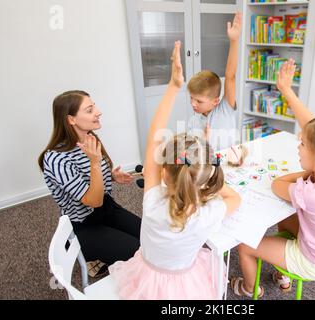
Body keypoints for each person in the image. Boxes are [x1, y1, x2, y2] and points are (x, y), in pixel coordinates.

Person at [108, 41, 241, 300]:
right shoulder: (207, 213)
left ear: (164, 173)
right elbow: (235, 198)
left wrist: (173, 85)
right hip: (188, 285)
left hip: (147, 277)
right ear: (203, 179)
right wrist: (209, 169)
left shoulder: (153, 200)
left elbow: (153, 138)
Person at [231, 115, 315, 298]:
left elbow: (276, 184)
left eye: (303, 143)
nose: (298, 147)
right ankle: (282, 276)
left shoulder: (312, 195)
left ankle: (249, 289)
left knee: (244, 246)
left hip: (314, 262)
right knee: (287, 216)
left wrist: (309, 170)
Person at [38, 90, 141, 276]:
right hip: (85, 224)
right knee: (141, 255)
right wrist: (94, 162)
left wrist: (110, 176)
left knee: (152, 240)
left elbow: (90, 179)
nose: (98, 112)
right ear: (71, 120)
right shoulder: (55, 159)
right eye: (90, 109)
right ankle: (88, 253)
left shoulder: (89, 138)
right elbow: (93, 201)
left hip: (107, 209)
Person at [187, 12, 242, 150]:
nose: (193, 103)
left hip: (229, 165)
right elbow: (192, 153)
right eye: (192, 98)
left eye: (199, 101)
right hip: (207, 167)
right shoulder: (193, 121)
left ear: (215, 100)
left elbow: (230, 76)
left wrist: (234, 41)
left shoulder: (225, 108)